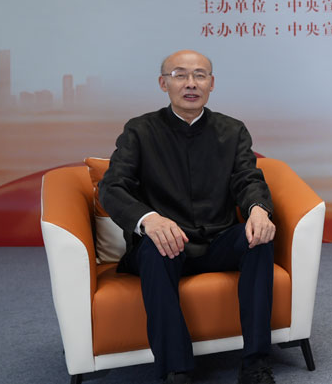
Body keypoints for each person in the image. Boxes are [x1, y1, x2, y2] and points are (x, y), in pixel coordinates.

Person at [99, 50, 278, 384]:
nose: (190, 83)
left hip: (216, 241)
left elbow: (248, 179)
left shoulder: (232, 130)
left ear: (211, 83)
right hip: (166, 244)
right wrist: (148, 219)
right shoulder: (140, 131)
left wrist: (258, 208)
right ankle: (176, 369)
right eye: (180, 75)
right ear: (163, 83)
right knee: (156, 248)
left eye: (199, 75)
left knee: (258, 240)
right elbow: (112, 187)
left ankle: (256, 364)